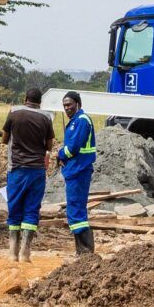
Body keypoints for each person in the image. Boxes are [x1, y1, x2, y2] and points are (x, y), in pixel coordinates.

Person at [2, 87, 55, 262]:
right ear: (40, 101)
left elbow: (4, 139)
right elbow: (49, 146)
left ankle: (12, 253)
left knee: (14, 208)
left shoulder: (14, 112)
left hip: (16, 169)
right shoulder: (46, 117)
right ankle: (25, 253)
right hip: (37, 171)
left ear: (25, 98)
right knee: (32, 210)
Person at [56, 90, 98, 258]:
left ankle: (85, 252)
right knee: (75, 209)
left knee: (76, 210)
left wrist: (59, 154)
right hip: (75, 170)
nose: (67, 108)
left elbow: (72, 148)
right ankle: (82, 252)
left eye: (69, 105)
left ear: (78, 104)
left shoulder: (81, 121)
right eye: (64, 106)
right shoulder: (76, 121)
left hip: (79, 170)